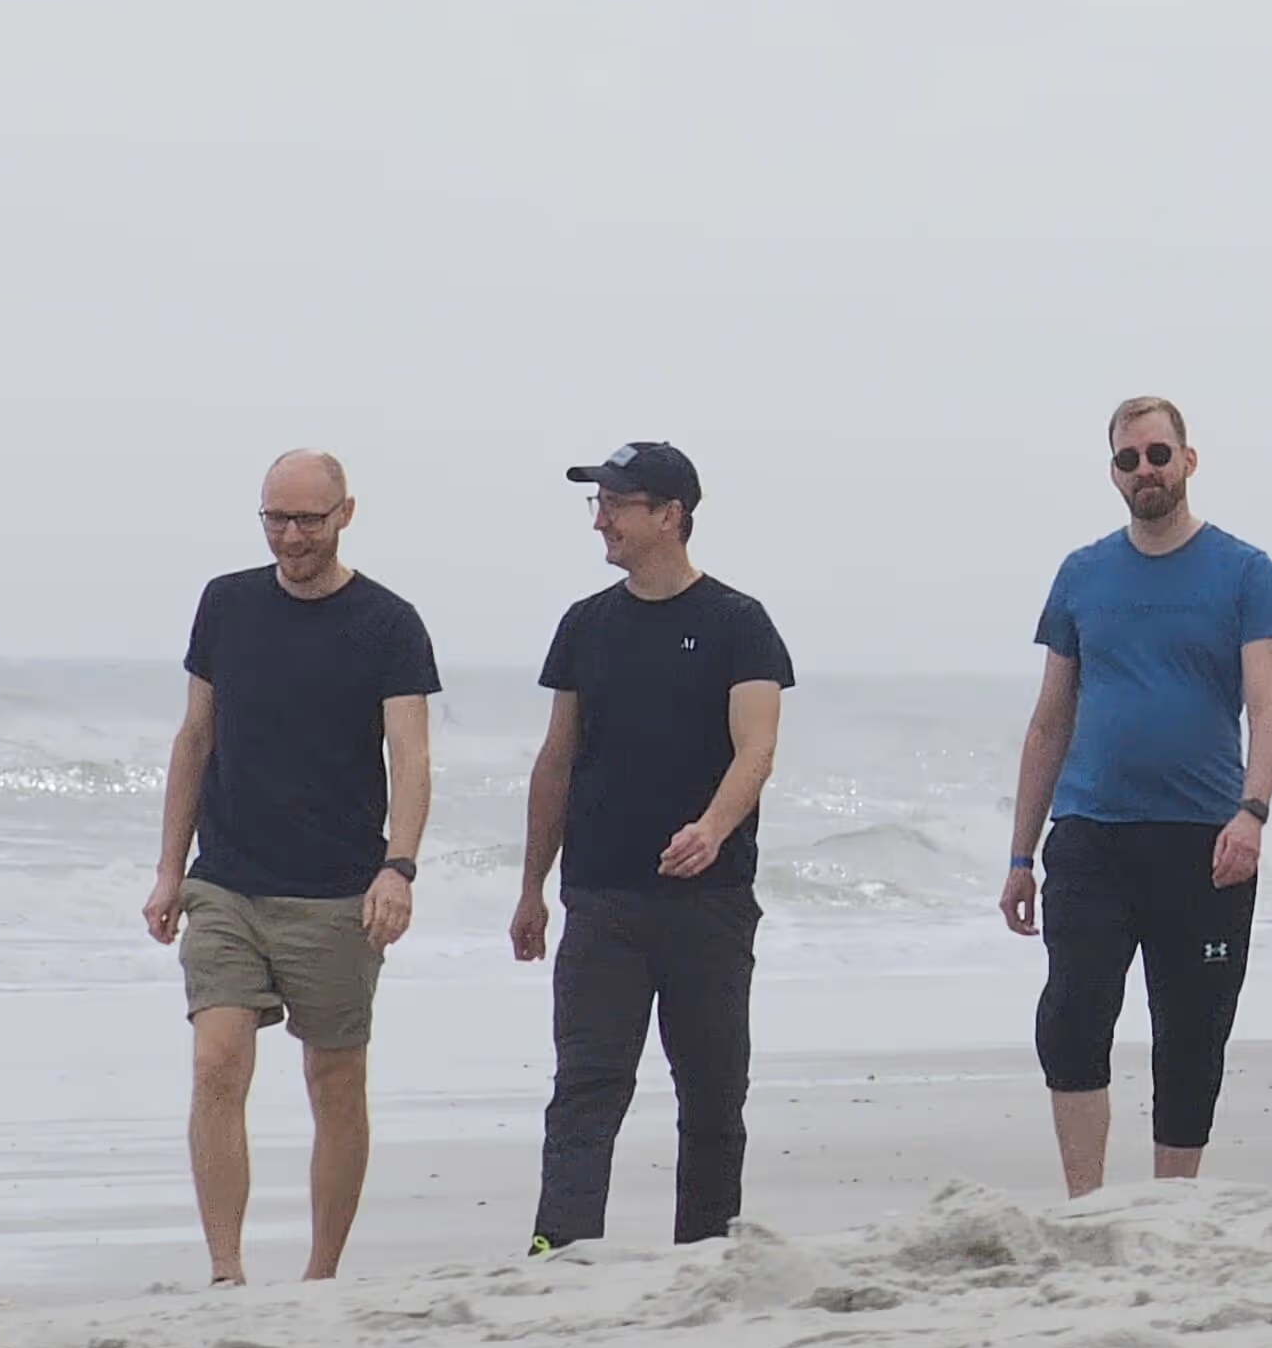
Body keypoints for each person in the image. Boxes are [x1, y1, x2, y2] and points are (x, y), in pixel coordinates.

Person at [147, 449, 438, 1286]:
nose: (291, 536)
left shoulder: (388, 623)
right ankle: (227, 1273)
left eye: (308, 519)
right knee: (216, 1062)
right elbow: (194, 737)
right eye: (276, 518)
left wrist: (399, 868)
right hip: (228, 878)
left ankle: (319, 1276)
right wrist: (169, 868)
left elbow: (410, 758)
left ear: (346, 514)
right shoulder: (227, 605)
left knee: (335, 1078)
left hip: (338, 890)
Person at [998, 398, 1272, 1196]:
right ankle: (1085, 1204)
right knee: (1071, 1016)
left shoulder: (1245, 571)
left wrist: (1252, 812)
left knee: (1192, 1031)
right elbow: (1049, 721)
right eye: (1129, 460)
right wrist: (1021, 855)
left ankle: (1173, 1202)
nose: (1145, 471)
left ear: (1188, 461)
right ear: (1113, 473)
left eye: (1158, 454)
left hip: (1205, 841)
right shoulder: (1082, 574)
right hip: (1092, 833)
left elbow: (1267, 706)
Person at [510, 441, 795, 1251]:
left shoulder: (739, 623)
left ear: (670, 515)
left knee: (711, 1095)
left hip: (708, 903)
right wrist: (532, 886)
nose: (600, 517)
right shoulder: (586, 625)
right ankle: (558, 1252)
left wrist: (712, 827)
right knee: (585, 1090)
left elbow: (757, 748)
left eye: (617, 502)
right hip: (601, 897)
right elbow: (557, 759)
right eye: (596, 502)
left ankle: (706, 1253)